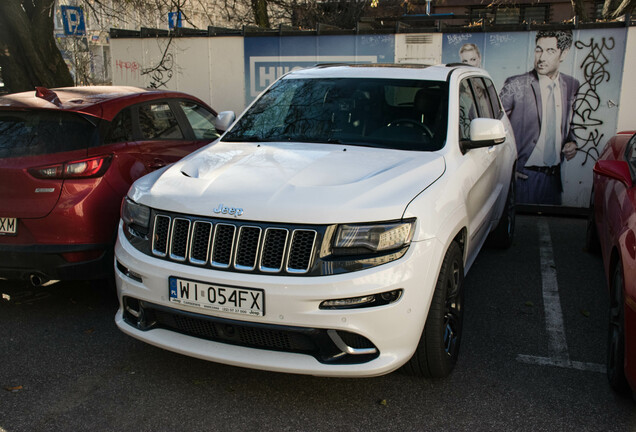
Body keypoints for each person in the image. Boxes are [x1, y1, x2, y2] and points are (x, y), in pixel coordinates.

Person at [499, 30, 579, 206]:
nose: (541, 57)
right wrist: (508, 169)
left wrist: (571, 142)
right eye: (538, 49)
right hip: (524, 177)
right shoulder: (516, 85)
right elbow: (495, 126)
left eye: (550, 51)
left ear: (563, 53)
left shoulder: (571, 84)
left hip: (554, 180)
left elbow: (568, 122)